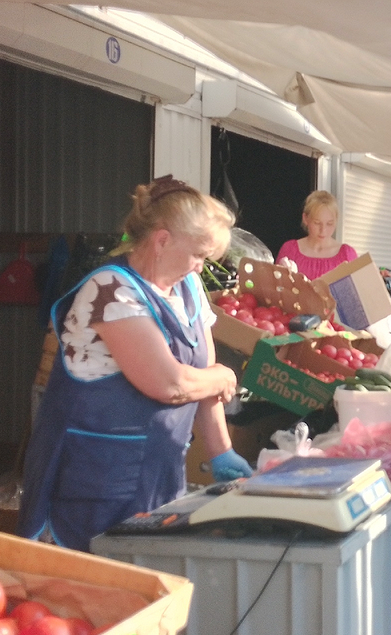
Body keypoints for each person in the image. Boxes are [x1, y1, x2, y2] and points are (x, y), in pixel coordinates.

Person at [17, 176, 252, 552]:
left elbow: (203, 372)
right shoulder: (111, 290)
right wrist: (223, 376)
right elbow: (170, 383)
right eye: (199, 255)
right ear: (162, 241)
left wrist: (221, 450)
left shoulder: (187, 289)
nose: (200, 269)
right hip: (93, 486)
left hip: (157, 478)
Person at [275, 190, 357, 278]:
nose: (323, 230)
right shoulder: (290, 250)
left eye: (329, 224)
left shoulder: (347, 254)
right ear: (305, 219)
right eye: (317, 223)